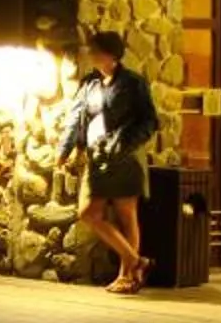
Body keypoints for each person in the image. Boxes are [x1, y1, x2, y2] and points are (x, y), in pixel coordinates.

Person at [57, 30, 159, 292]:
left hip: (124, 156)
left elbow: (149, 121)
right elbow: (75, 116)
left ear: (111, 54)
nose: (90, 54)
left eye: (95, 50)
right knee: (88, 213)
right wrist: (66, 148)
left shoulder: (133, 83)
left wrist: (124, 144)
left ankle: (127, 276)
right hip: (97, 155)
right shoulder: (90, 83)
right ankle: (136, 261)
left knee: (127, 214)